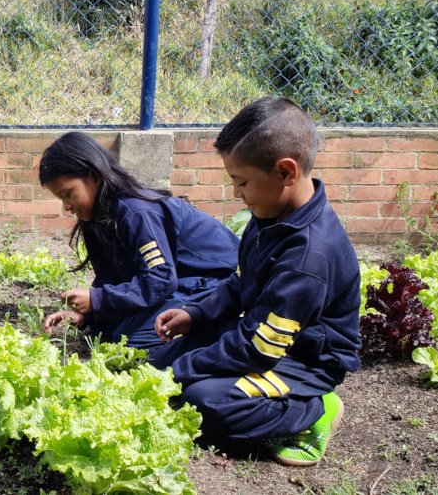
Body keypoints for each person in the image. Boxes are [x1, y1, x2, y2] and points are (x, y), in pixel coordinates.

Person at [153, 96, 361, 467]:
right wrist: (195, 315)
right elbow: (239, 284)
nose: (237, 193)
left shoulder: (308, 259)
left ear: (285, 173)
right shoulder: (270, 216)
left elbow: (261, 347)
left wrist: (182, 372)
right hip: (266, 336)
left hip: (302, 361)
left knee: (203, 402)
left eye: (242, 182)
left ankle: (314, 409)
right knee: (164, 361)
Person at [39, 131, 239, 364]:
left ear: (92, 176)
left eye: (68, 194)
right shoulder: (95, 217)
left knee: (136, 347)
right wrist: (87, 315)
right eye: (60, 198)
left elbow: (161, 279)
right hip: (177, 284)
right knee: (109, 333)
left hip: (213, 282)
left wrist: (99, 300)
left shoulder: (136, 211)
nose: (66, 206)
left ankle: (223, 333)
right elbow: (109, 278)